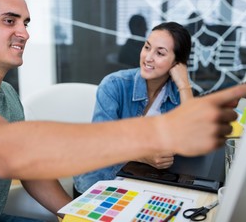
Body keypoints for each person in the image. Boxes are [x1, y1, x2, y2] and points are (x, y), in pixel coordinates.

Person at [0, 0, 246, 221]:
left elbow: (28, 169)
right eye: (9, 20)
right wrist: (161, 132)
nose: (25, 33)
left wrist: (68, 216)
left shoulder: (8, 96)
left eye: (25, 23)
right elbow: (5, 151)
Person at [74, 22, 194, 196]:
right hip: (98, 183)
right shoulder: (114, 85)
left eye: (160, 53)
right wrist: (143, 155)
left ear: (177, 63)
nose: (148, 58)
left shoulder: (176, 93)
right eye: (147, 47)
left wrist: (184, 85)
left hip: (141, 181)